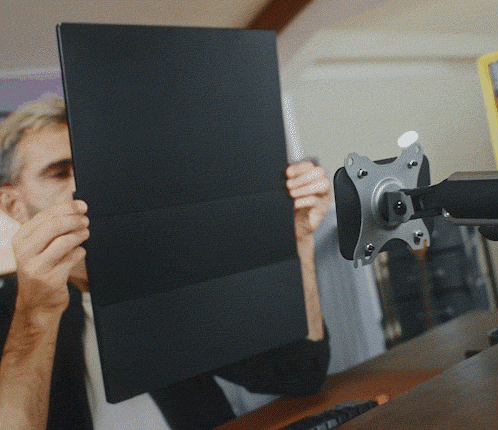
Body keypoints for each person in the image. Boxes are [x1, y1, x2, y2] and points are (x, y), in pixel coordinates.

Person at [0, 96, 332, 429]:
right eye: (60, 173)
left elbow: (301, 371)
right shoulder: (7, 311)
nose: (83, 189)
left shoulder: (159, 276)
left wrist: (299, 240)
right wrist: (36, 314)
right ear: (12, 203)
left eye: (95, 170)